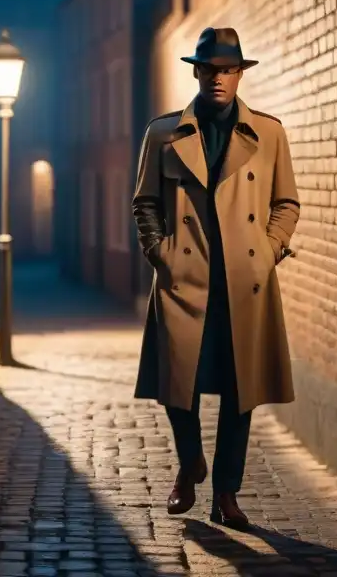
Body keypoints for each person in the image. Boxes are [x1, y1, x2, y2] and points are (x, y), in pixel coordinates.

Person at [131, 26, 301, 531]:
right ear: (197, 72)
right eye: (211, 69)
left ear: (239, 74)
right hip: (185, 277)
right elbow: (146, 201)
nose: (220, 78)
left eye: (229, 70)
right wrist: (162, 254)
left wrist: (266, 253)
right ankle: (190, 465)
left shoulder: (267, 132)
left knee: (238, 391)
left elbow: (286, 202)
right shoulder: (164, 132)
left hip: (243, 281)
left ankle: (226, 492)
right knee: (174, 384)